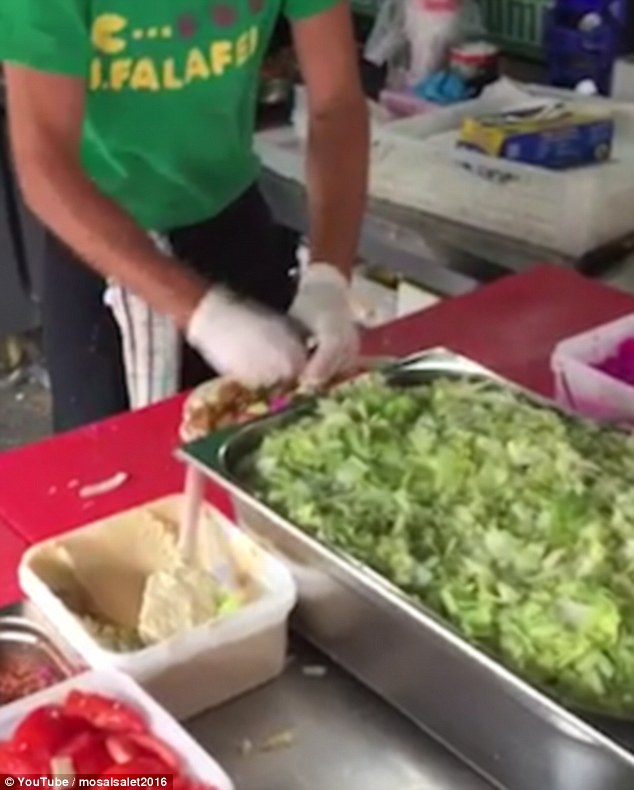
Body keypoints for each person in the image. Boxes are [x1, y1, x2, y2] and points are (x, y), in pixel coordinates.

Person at [0, 0, 369, 432]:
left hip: (234, 224)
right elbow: (45, 164)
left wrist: (329, 278)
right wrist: (203, 313)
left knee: (278, 441)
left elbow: (337, 105)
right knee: (114, 463)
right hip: (100, 246)